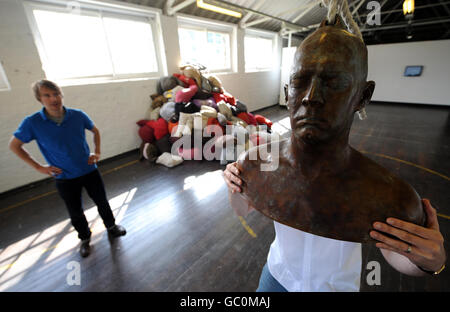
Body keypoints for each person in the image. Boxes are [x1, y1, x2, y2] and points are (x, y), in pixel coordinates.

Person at [222, 17, 446, 291]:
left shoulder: (387, 195)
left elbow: (399, 254)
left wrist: (431, 261)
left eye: (334, 82)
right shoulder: (258, 162)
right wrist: (233, 185)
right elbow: (243, 208)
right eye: (300, 81)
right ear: (287, 93)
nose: (311, 96)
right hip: (276, 278)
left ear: (362, 96)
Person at [9, 80, 126, 258]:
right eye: (47, 95)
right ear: (39, 99)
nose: (53, 98)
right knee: (75, 210)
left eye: (56, 94)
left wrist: (97, 152)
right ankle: (85, 239)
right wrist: (39, 167)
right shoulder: (32, 123)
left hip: (89, 170)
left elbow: (95, 130)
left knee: (102, 201)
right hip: (64, 177)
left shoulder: (77, 115)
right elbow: (15, 145)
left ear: (61, 95)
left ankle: (111, 226)